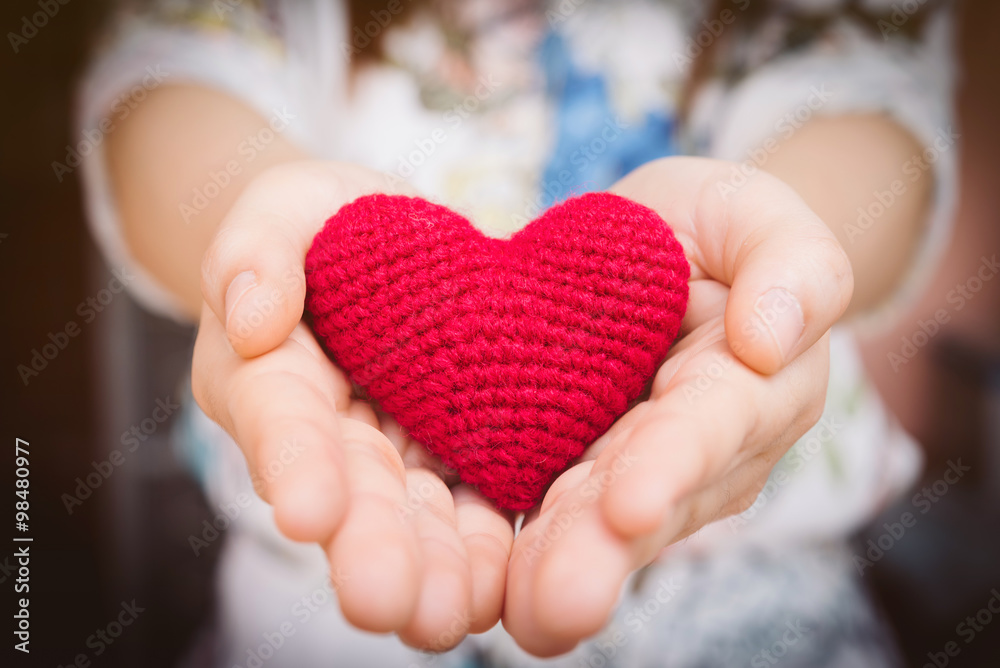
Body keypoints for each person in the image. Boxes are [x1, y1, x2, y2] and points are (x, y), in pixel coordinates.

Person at [76, 0, 957, 665]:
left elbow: (867, 88)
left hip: (759, 573)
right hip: (323, 583)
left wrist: (773, 237)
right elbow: (172, 66)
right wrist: (261, 221)